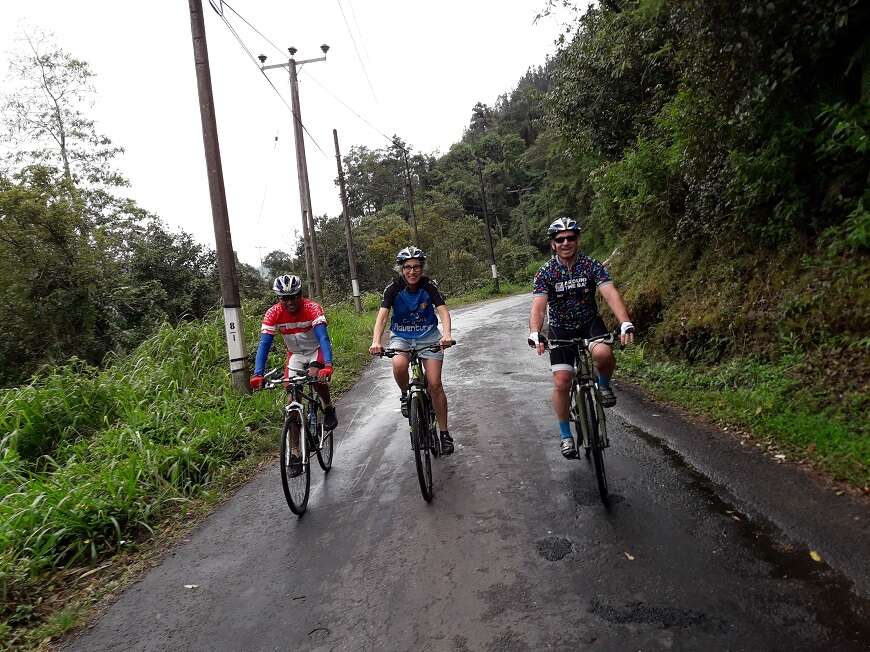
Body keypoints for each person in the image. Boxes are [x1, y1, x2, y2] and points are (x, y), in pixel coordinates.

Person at [528, 217, 635, 459]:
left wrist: (624, 321)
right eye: (560, 239)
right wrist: (535, 332)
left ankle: (604, 386)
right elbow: (538, 307)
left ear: (578, 240)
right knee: (562, 381)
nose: (566, 242)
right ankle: (566, 435)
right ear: (553, 244)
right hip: (560, 329)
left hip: (589, 323)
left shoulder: (591, 265)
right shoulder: (546, 272)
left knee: (603, 354)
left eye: (571, 238)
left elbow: (610, 293)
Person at [369, 246, 455, 455]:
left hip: (429, 336)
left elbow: (442, 311)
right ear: (401, 269)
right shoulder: (393, 288)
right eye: (407, 267)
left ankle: (444, 433)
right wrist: (376, 341)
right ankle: (405, 394)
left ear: (422, 268)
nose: (412, 271)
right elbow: (382, 317)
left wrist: (447, 334)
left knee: (434, 384)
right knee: (399, 364)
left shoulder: (429, 286)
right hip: (401, 337)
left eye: (417, 267)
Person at [249, 274, 338, 438]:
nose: (289, 302)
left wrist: (327, 365)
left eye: (293, 297)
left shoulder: (312, 308)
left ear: (300, 294)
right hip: (295, 355)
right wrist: (258, 374)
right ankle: (296, 453)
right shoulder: (273, 313)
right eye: (284, 298)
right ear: (278, 298)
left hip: (315, 350)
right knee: (291, 403)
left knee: (316, 377)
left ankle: (328, 407)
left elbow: (323, 338)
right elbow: (264, 345)